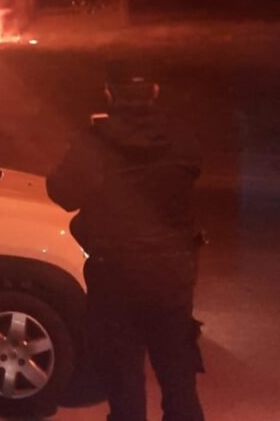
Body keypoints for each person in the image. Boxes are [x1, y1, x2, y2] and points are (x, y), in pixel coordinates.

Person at [47, 59, 205, 421]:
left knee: (124, 383)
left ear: (109, 93)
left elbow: (62, 192)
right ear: (154, 92)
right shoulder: (180, 136)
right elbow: (192, 169)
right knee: (179, 377)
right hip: (172, 273)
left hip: (115, 274)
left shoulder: (94, 142)